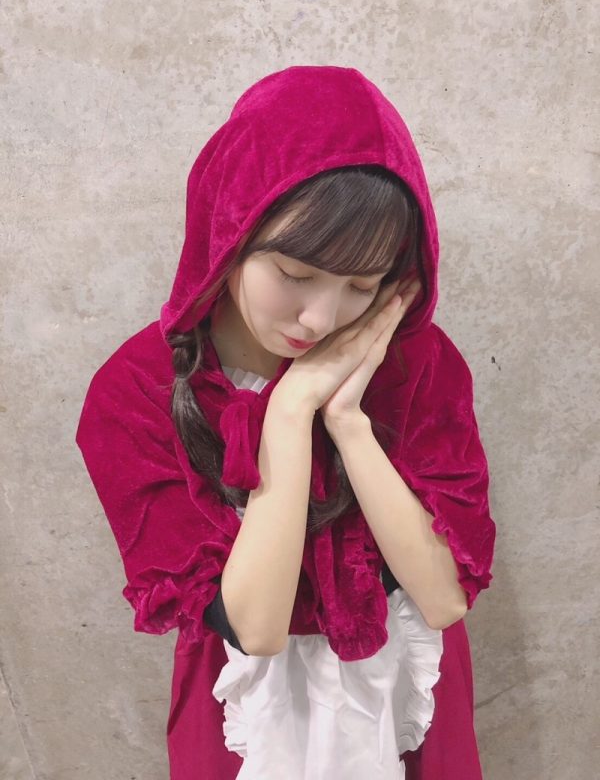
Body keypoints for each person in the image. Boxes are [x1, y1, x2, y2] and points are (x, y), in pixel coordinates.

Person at [75, 65, 496, 779]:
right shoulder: (135, 390)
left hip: (406, 688)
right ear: (231, 230)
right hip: (245, 711)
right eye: (296, 274)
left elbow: (443, 596)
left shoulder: (412, 360)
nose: (321, 318)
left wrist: (349, 422)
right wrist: (292, 412)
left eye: (361, 286)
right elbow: (257, 628)